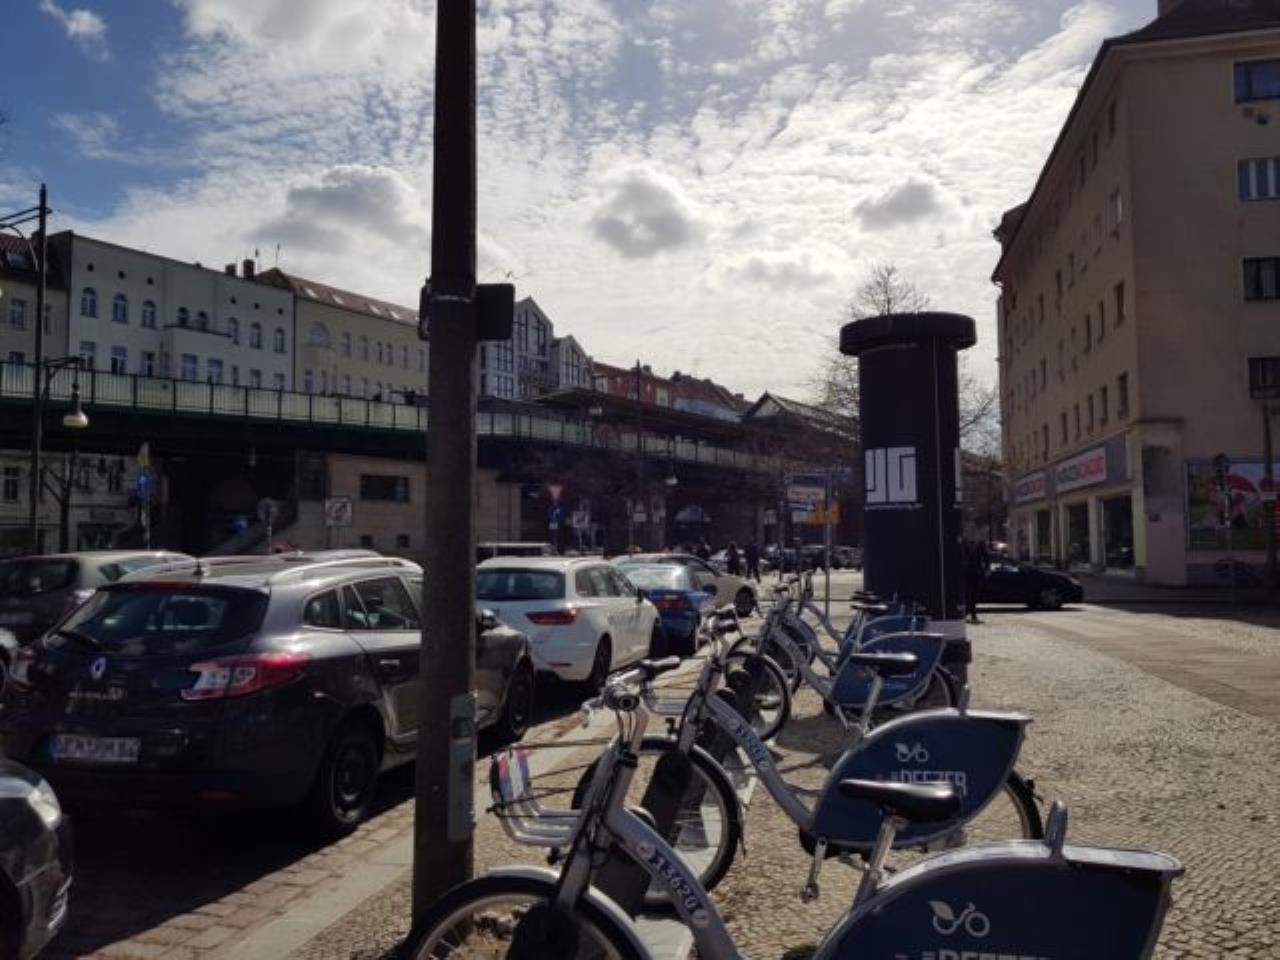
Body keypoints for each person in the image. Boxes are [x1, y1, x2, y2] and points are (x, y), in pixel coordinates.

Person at [962, 535, 990, 624]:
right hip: (966, 572)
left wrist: (987, 569)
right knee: (967, 594)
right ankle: (970, 614)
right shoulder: (963, 542)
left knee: (974, 594)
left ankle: (970, 613)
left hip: (976, 572)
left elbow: (986, 557)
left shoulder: (980, 543)